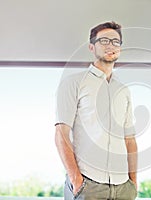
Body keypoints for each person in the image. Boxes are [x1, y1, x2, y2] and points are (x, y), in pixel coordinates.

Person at [55, 21, 137, 200]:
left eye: (116, 42)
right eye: (104, 41)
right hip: (88, 185)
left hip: (123, 187)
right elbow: (61, 133)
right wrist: (76, 180)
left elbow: (129, 139)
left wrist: (133, 182)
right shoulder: (73, 83)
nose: (111, 46)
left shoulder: (124, 90)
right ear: (92, 47)